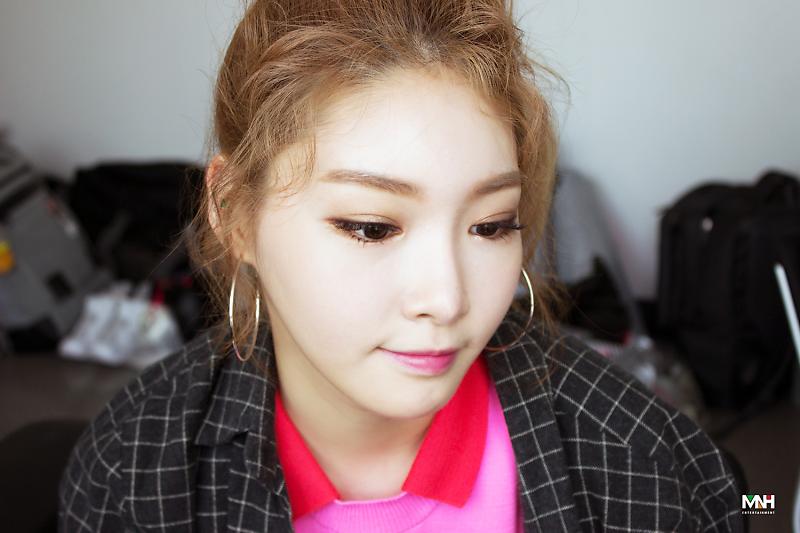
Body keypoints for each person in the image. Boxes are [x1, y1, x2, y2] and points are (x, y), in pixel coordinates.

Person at [58, 1, 744, 531]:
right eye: (372, 227)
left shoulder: (648, 458)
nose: (446, 299)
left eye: (491, 225)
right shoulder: (132, 474)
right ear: (236, 212)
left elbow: (744, 499)